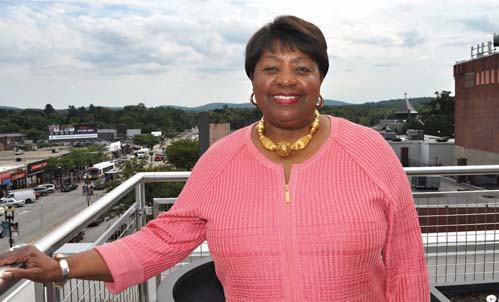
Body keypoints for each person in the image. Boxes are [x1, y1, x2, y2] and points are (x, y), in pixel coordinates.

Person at [0, 15, 429, 301]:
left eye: (302, 68)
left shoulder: (369, 150)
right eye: (270, 67)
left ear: (320, 83)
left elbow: (406, 260)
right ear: (253, 84)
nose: (286, 80)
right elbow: (163, 238)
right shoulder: (221, 160)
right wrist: (62, 266)